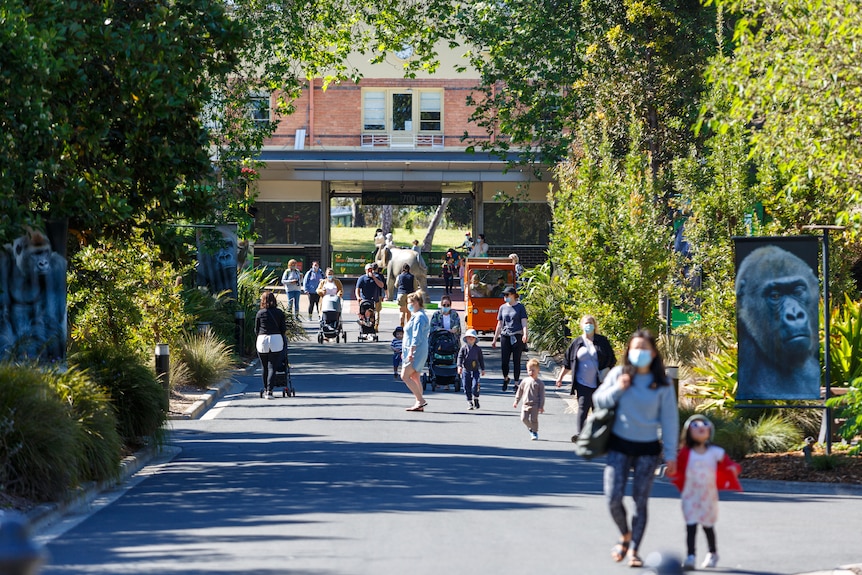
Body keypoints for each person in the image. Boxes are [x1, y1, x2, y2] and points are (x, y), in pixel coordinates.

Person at [593, 329, 679, 568]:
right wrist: (619, 388)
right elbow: (598, 400)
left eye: (644, 348)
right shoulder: (619, 374)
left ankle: (634, 550)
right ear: (628, 351)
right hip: (618, 446)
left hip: (647, 451)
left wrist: (671, 456)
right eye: (635, 347)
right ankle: (625, 534)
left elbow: (670, 421)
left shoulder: (661, 383)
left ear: (653, 353)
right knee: (612, 498)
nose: (639, 352)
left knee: (640, 501)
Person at [670, 414, 741, 571]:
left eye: (704, 424)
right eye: (695, 425)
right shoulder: (685, 453)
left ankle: (712, 553)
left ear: (710, 431)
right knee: (691, 525)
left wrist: (732, 469)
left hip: (708, 496)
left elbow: (730, 464)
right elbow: (677, 470)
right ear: (688, 432)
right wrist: (672, 471)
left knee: (707, 525)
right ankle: (691, 556)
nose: (701, 427)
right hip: (690, 495)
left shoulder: (716, 452)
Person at [555, 315, 617, 438]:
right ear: (582, 325)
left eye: (591, 323)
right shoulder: (577, 343)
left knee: (597, 409)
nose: (588, 325)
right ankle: (581, 434)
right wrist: (560, 378)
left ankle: (598, 435)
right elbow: (568, 362)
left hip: (600, 382)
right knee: (583, 407)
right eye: (586, 323)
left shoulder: (602, 341)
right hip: (582, 382)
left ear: (594, 325)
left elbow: (612, 359)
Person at [491, 286, 528, 392]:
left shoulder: (520, 307)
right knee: (504, 362)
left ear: (513, 295)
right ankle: (506, 378)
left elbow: (524, 322)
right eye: (504, 295)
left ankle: (516, 383)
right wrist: (495, 339)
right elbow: (499, 324)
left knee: (517, 360)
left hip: (517, 335)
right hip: (505, 336)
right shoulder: (502, 307)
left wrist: (525, 334)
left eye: (507, 295)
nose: (505, 297)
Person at [401, 291, 431, 411]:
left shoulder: (419, 317)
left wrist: (411, 352)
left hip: (416, 350)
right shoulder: (418, 315)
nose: (409, 305)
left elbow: (416, 336)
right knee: (415, 376)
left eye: (410, 303)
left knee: (405, 376)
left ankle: (420, 400)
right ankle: (419, 403)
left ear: (416, 303)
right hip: (416, 349)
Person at [255, 292, 286, 400]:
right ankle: (270, 390)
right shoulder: (279, 313)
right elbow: (283, 329)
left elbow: (256, 329)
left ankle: (265, 388)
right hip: (276, 338)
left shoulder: (260, 313)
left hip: (262, 338)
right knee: (272, 366)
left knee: (264, 367)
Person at [513, 358, 545, 440]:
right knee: (524, 419)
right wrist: (516, 401)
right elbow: (520, 391)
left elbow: (542, 396)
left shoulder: (540, 383)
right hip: (525, 404)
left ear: (538, 370)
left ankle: (534, 432)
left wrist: (541, 406)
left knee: (534, 419)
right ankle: (531, 428)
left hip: (535, 404)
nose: (531, 372)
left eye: (533, 370)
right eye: (529, 370)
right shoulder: (525, 381)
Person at [458, 328, 485, 410]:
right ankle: (469, 402)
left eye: (472, 337)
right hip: (466, 370)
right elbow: (460, 357)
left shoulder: (477, 349)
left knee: (475, 385)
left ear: (475, 339)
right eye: (469, 337)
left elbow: (481, 359)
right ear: (466, 338)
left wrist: (483, 369)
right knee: (466, 386)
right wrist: (459, 366)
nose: (470, 339)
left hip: (475, 370)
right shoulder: (463, 348)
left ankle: (476, 398)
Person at [371, 262, 387, 329]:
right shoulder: (380, 276)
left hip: (370, 296)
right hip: (378, 295)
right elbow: (384, 286)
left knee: (371, 310)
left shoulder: (369, 276)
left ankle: (371, 323)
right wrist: (386, 295)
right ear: (377, 268)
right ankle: (376, 324)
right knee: (377, 311)